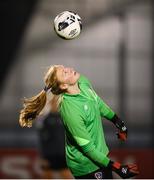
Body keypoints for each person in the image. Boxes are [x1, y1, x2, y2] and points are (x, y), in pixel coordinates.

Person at [19, 65, 139, 179]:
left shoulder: (82, 82)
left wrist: (119, 123)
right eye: (64, 72)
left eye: (65, 67)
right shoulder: (70, 110)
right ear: (64, 85)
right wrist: (118, 168)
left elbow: (97, 103)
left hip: (101, 157)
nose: (69, 69)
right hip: (86, 166)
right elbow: (88, 149)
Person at [36, 95, 72, 179]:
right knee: (47, 177)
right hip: (49, 155)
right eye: (53, 102)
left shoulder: (65, 117)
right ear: (49, 103)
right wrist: (43, 156)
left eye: (57, 102)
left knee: (66, 176)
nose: (55, 104)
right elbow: (42, 140)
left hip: (63, 154)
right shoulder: (44, 119)